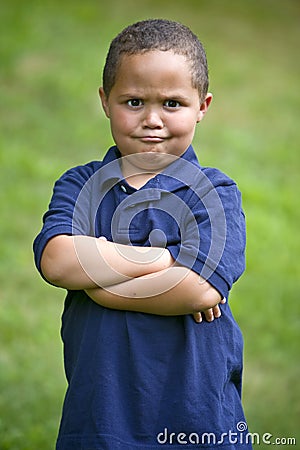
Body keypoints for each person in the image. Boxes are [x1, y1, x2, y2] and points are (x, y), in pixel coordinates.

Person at [33, 19, 251, 449]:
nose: (152, 120)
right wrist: (166, 259)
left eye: (172, 103)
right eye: (133, 101)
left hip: (197, 416)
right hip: (101, 415)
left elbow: (199, 291)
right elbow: (57, 261)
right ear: (105, 101)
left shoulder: (214, 192)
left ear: (202, 106)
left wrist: (100, 281)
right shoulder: (81, 185)